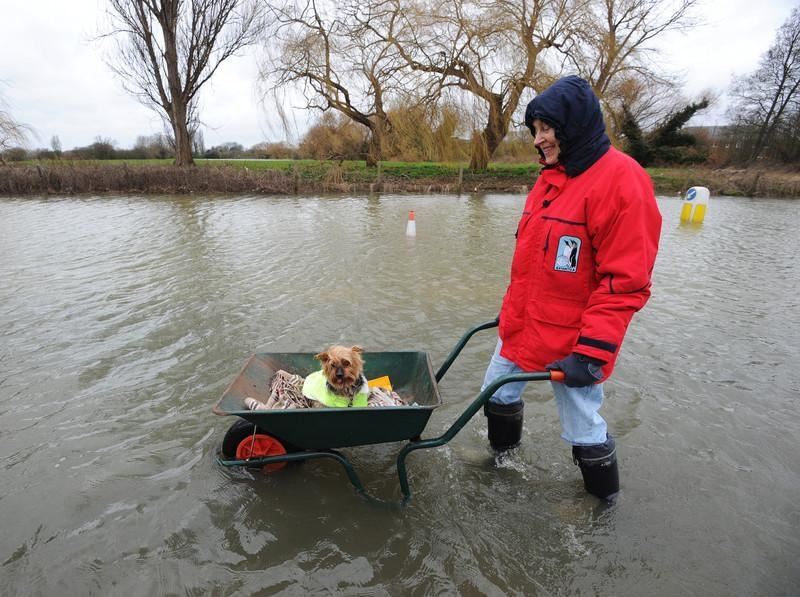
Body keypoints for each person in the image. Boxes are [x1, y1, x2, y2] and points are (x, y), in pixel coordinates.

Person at [481, 75, 662, 501]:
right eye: (535, 130)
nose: (539, 139)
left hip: (574, 339)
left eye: (546, 129)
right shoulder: (550, 176)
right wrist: (511, 310)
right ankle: (501, 463)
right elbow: (534, 261)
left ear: (575, 124)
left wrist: (593, 351)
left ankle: (604, 506)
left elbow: (625, 282)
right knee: (496, 391)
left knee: (582, 423)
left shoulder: (623, 182)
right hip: (523, 325)